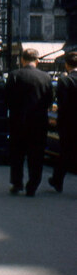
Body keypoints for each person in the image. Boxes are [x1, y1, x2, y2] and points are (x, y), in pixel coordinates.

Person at [4, 48, 53, 197]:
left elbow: (7, 100)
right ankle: (33, 185)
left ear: (22, 60)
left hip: (18, 121)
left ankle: (17, 183)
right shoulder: (46, 77)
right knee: (36, 155)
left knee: (17, 155)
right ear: (37, 61)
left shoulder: (14, 76)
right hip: (39, 123)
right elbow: (49, 101)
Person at [49, 50, 77, 193]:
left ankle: (57, 180)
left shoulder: (65, 80)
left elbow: (62, 103)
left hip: (69, 123)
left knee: (65, 152)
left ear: (67, 64)